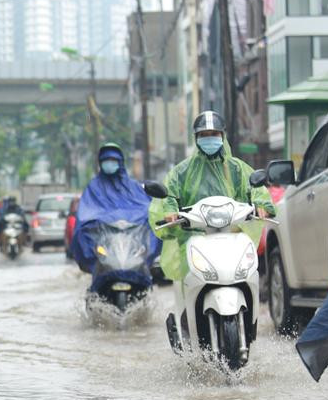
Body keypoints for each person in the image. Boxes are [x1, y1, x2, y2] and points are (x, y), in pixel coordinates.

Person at [149, 110, 274, 281]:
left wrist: (262, 206)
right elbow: (168, 195)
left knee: (249, 273)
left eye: (214, 134)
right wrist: (170, 212)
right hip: (193, 237)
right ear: (196, 138)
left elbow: (256, 189)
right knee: (192, 276)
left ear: (222, 136)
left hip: (233, 235)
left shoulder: (237, 168)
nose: (209, 138)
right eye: (204, 134)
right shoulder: (181, 172)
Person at [70, 143, 160, 274]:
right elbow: (86, 213)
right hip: (105, 240)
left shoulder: (132, 186)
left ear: (120, 162)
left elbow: (146, 208)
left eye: (113, 160)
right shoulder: (94, 187)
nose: (110, 163)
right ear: (101, 163)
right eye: (106, 160)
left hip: (132, 239)